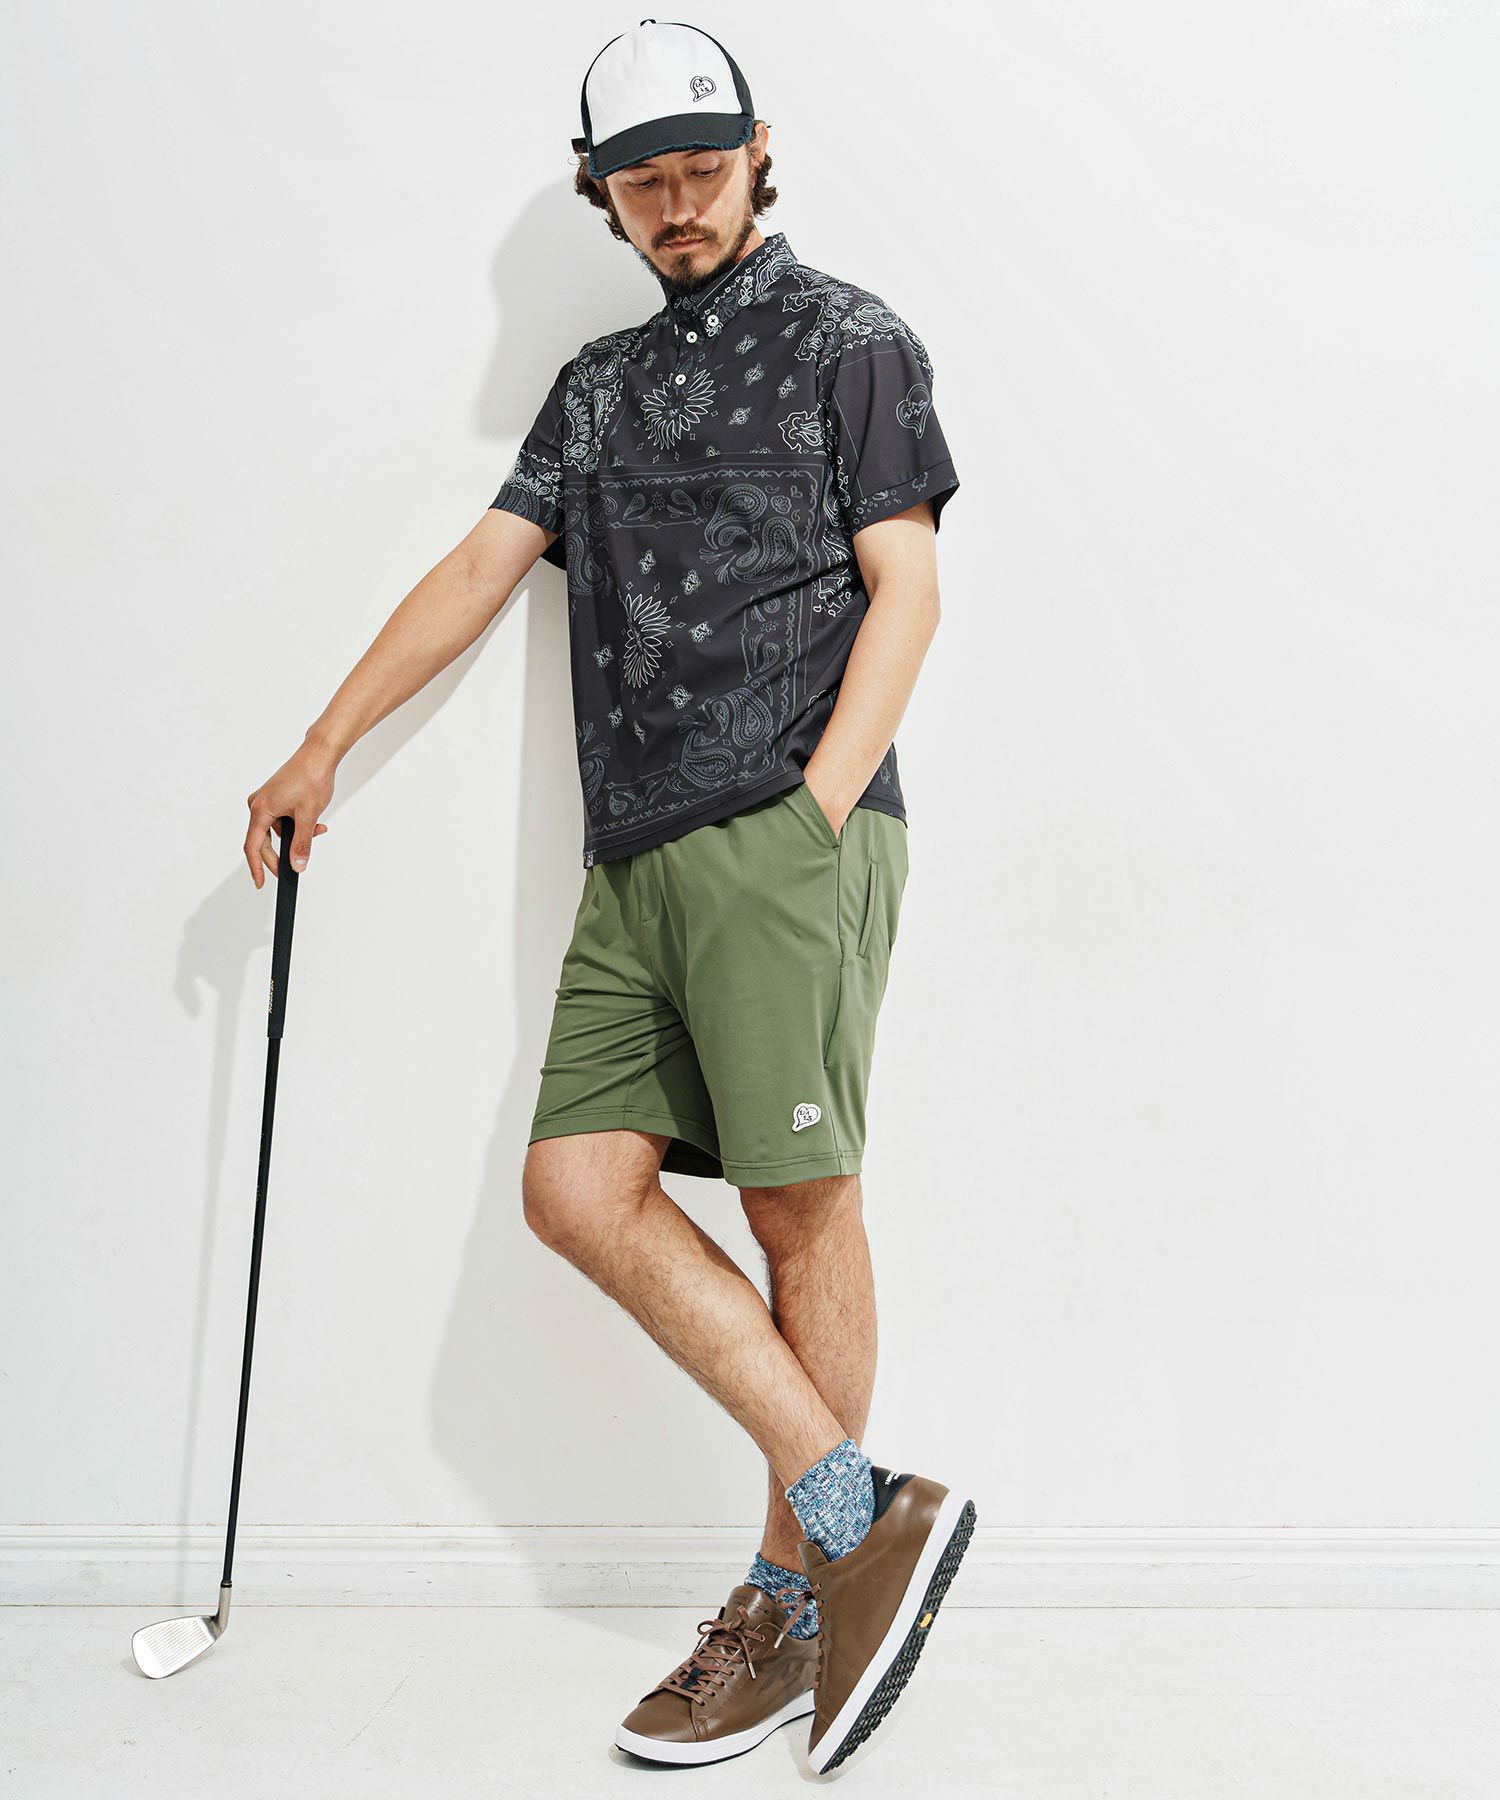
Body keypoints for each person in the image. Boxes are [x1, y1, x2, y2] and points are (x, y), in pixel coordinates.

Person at [243, 19, 974, 1774]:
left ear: (758, 153)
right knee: (576, 1190)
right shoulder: (595, 388)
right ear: (602, 194)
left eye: (704, 170)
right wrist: (323, 745)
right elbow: (479, 568)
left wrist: (814, 814)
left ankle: (786, 1609)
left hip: (783, 828)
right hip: (633, 856)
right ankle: (859, 1516)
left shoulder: (849, 338)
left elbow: (909, 586)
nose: (680, 205)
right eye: (645, 184)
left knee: (801, 1206)